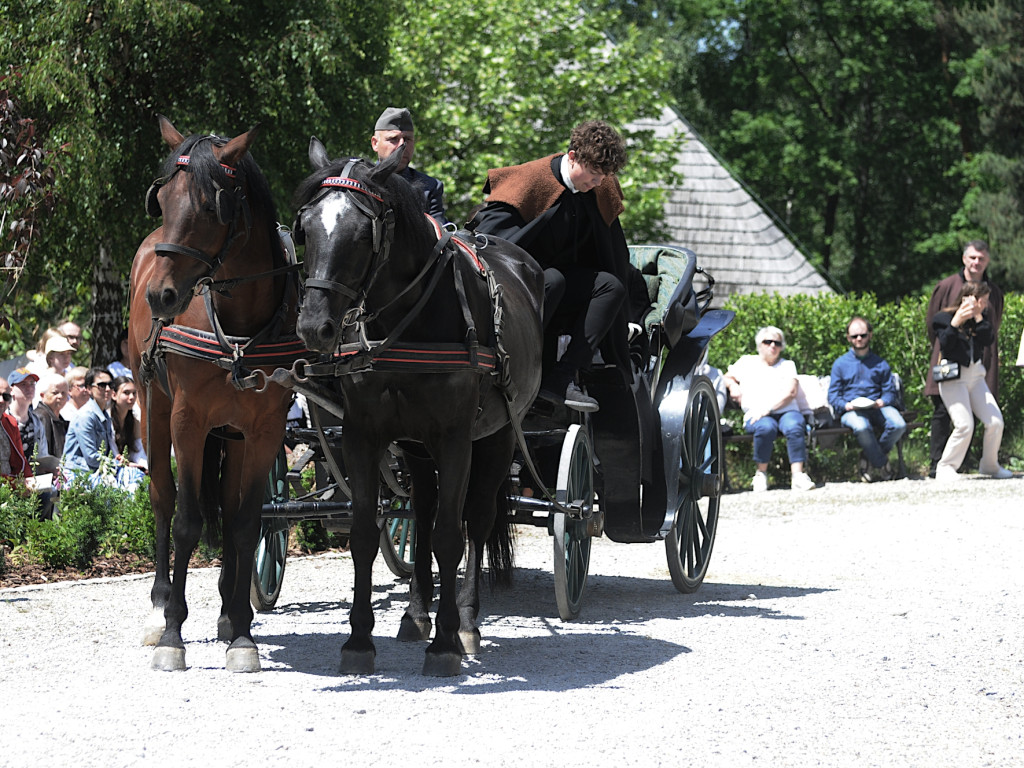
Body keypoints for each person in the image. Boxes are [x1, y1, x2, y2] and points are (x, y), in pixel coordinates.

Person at [470, 119, 633, 412]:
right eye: (594, 174)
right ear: (572, 157)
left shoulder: (598, 189)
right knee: (552, 280)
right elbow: (488, 243)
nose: (597, 183)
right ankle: (515, 367)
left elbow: (613, 252)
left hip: (561, 284)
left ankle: (561, 379)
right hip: (516, 286)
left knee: (611, 286)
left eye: (602, 177)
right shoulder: (529, 182)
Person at [925, 240, 1003, 476]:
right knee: (949, 416)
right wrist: (957, 321)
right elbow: (935, 329)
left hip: (977, 366)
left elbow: (992, 331)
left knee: (990, 420)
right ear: (964, 259)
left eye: (981, 258)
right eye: (972, 257)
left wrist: (979, 319)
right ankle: (939, 465)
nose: (976, 262)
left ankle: (981, 464)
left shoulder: (994, 292)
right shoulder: (947, 286)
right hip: (950, 366)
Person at [930, 282, 1011, 481]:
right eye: (981, 301)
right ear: (967, 298)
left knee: (995, 422)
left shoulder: (980, 320)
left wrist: (976, 316)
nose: (984, 305)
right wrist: (957, 321)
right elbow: (945, 345)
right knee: (964, 425)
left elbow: (988, 339)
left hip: (976, 377)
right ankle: (945, 467)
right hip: (953, 379)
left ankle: (990, 465)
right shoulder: (943, 318)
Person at [722, 327, 817, 492]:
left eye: (777, 343)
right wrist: (732, 386)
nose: (773, 345)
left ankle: (798, 475)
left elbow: (791, 392)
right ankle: (760, 474)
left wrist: (768, 409)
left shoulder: (788, 365)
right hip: (756, 414)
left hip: (786, 411)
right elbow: (726, 376)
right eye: (768, 342)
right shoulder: (746, 362)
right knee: (766, 428)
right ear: (760, 345)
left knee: (795, 425)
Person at [827, 317, 906, 482]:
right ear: (848, 338)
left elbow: (889, 392)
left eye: (862, 335)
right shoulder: (840, 364)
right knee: (861, 427)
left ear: (870, 335)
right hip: (852, 410)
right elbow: (833, 395)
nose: (859, 339)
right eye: (854, 336)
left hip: (877, 407)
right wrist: (846, 405)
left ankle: (869, 456)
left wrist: (883, 401)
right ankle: (881, 462)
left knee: (899, 425)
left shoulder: (881, 363)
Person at [370, 106, 449, 226]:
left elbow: (439, 236)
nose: (402, 146)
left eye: (407, 139)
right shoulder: (360, 181)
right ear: (375, 144)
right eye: (393, 139)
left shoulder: (430, 187)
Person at [62, 367, 117, 475]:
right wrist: (116, 464)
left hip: (98, 471)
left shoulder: (105, 415)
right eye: (101, 385)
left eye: (110, 385)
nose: (107, 389)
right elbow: (91, 457)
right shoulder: (85, 416)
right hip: (78, 475)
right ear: (89, 389)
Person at [7, 367, 48, 462]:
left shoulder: (36, 422)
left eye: (32, 384)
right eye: (23, 384)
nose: (29, 388)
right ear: (11, 390)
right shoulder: (4, 419)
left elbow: (42, 455)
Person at [110, 376, 147, 472]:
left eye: (134, 393)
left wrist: (144, 467)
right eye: (126, 393)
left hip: (130, 466)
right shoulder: (108, 421)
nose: (132, 397)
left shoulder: (135, 422)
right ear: (114, 395)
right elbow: (113, 453)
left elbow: (138, 450)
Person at [0, 377, 31, 482]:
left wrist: (30, 482)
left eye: (6, 396)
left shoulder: (10, 423)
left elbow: (20, 460)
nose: (1, 400)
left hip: (12, 484)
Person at [33, 372, 70, 460]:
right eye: (55, 393)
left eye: (63, 393)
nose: (60, 396)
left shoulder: (60, 418)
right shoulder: (41, 416)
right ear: (42, 395)